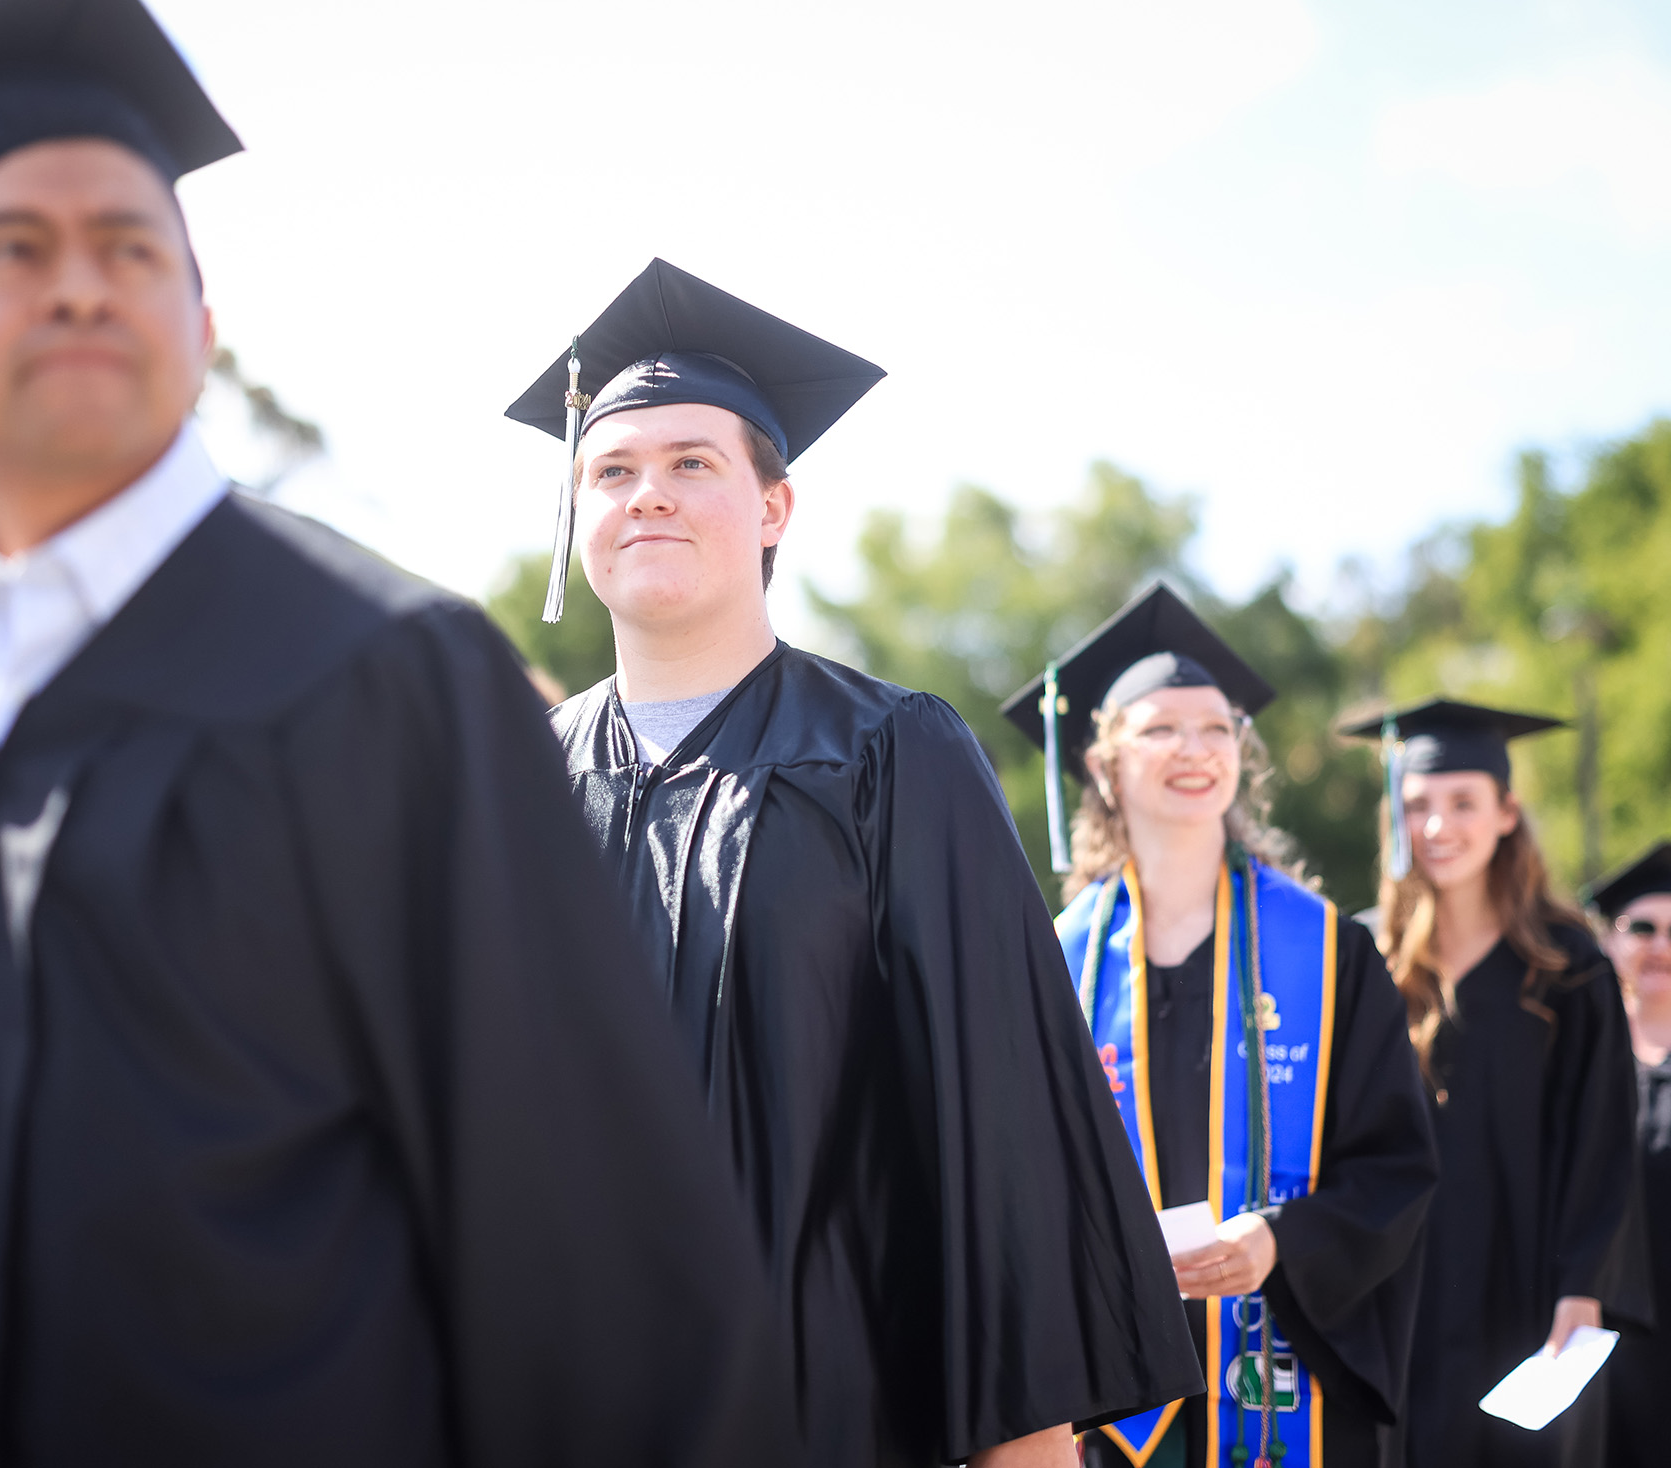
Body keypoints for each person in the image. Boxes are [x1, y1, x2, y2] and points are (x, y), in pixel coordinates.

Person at [0, 5, 798, 1466]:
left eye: (131, 248)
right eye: (10, 250)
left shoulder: (390, 679)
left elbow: (599, 1260)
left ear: (202, 324)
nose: (82, 287)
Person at [511, 258, 1200, 1468]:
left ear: (775, 507)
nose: (646, 496)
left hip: (826, 1409)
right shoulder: (516, 788)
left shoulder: (889, 754)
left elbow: (1000, 1137)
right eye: (611, 471)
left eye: (692, 464)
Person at [1000, 583, 1438, 1468]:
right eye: (1161, 730)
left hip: (1289, 1372)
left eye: (1216, 730)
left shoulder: (1327, 954)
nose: (1195, 750)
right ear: (1103, 764)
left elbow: (1399, 1165)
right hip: (1110, 1401)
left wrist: (1282, 1242)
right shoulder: (1055, 962)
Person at [1340, 699, 1647, 1468]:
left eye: (1462, 803)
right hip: (1397, 1286)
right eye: (1416, 806)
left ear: (1507, 812)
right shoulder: (1364, 961)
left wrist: (1583, 1286)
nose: (1438, 827)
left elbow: (1603, 1139)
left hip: (1529, 1281)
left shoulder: (1568, 966)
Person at [1582, 840, 1671, 1463]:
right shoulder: (1572, 1063)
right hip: (1587, 1338)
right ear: (1608, 938)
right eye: (1642, 926)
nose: (1659, 945)